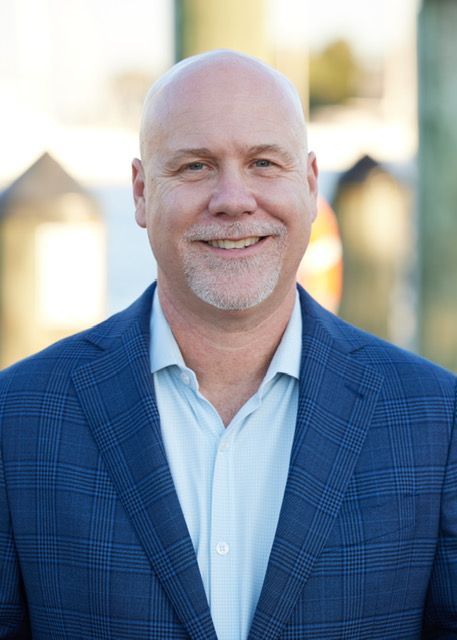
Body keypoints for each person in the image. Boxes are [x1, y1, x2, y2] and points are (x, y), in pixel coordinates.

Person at [0, 49, 456, 640]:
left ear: (311, 185)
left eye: (264, 163)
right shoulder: (19, 416)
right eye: (194, 167)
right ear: (140, 193)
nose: (234, 199)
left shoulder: (435, 419)